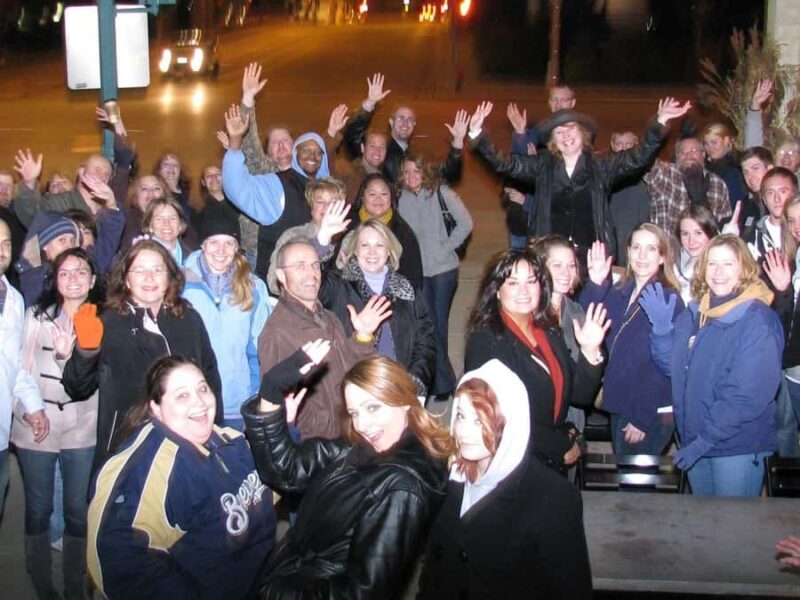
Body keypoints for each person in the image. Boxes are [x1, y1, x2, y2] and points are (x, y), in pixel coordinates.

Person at [242, 346, 451, 599]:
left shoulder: (400, 487)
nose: (362, 424)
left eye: (372, 407)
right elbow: (289, 469)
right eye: (354, 413)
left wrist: (281, 592)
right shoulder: (368, 445)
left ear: (405, 401)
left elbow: (363, 593)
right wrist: (270, 393)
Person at [87, 356, 275, 600]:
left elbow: (268, 486)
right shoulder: (145, 470)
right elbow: (116, 559)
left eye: (202, 388)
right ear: (156, 407)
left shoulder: (226, 439)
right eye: (182, 395)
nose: (199, 401)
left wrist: (280, 427)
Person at [418, 359, 592, 600]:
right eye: (461, 415)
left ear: (509, 424)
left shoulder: (553, 499)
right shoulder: (449, 478)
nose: (464, 431)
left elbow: (571, 591)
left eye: (480, 420)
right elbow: (433, 574)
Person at [643, 234, 784, 496]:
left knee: (731, 532)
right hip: (695, 439)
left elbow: (746, 395)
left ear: (745, 268)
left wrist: (705, 439)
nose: (719, 272)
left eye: (728, 264)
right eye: (712, 264)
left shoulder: (757, 320)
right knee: (705, 531)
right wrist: (662, 331)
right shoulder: (697, 313)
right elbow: (673, 370)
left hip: (736, 445)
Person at [62, 239, 221, 468]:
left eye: (157, 270)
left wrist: (214, 430)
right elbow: (76, 387)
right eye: (140, 270)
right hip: (131, 447)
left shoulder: (188, 319)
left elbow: (210, 375)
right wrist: (86, 351)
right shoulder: (109, 323)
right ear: (126, 279)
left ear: (169, 277)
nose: (149, 278)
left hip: (190, 443)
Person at [469, 98, 690, 259]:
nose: (565, 136)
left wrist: (659, 122)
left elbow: (639, 157)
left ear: (582, 133)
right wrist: (477, 134)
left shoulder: (600, 166)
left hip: (590, 257)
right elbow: (505, 164)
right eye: (559, 132)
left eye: (570, 129)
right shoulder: (542, 166)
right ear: (553, 141)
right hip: (550, 255)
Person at [465, 248, 607, 474]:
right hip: (514, 465)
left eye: (531, 281)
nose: (524, 291)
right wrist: (559, 445)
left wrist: (590, 353)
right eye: (512, 283)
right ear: (497, 291)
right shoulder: (486, 341)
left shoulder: (548, 330)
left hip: (547, 462)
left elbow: (580, 395)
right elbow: (500, 419)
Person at [13, 247, 101, 600]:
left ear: (93, 280)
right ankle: (42, 582)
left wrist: (70, 356)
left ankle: (74, 583)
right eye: (65, 272)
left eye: (81, 272)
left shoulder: (103, 320)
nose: (74, 279)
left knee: (78, 509)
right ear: (55, 279)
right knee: (39, 507)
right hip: (37, 424)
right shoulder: (37, 316)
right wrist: (31, 410)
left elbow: (94, 378)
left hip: (83, 424)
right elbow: (19, 368)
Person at [257, 237, 385, 440]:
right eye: (300, 266)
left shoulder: (328, 317)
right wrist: (330, 431)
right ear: (281, 275)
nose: (312, 274)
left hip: (350, 430)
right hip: (321, 446)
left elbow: (349, 370)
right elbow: (276, 406)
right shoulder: (277, 334)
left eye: (315, 265)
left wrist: (363, 336)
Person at [581, 225, 684, 455]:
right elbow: (589, 321)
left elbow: (665, 365)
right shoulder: (622, 290)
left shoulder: (668, 299)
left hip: (648, 408)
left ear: (662, 257)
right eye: (636, 248)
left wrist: (642, 417)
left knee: (636, 487)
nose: (642, 256)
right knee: (626, 476)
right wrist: (596, 283)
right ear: (628, 252)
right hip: (622, 398)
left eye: (651, 249)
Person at [321, 218, 436, 397]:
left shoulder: (406, 289)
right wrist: (322, 243)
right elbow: (312, 285)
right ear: (355, 251)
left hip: (398, 386)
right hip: (355, 388)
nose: (372, 252)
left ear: (389, 251)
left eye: (379, 245)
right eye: (365, 245)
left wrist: (414, 382)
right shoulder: (338, 285)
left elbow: (425, 341)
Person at [222, 104, 329, 281]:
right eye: (306, 150)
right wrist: (235, 144)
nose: (312, 156)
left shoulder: (330, 191)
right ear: (296, 154)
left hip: (319, 285)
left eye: (318, 152)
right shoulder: (278, 184)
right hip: (280, 287)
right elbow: (237, 188)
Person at [182, 222, 271, 430]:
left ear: (237, 247)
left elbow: (259, 347)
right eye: (213, 242)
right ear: (202, 245)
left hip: (238, 400)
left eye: (229, 243)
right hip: (193, 402)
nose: (221, 251)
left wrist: (257, 394)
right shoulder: (180, 283)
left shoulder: (253, 286)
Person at [399, 152, 473, 399]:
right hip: (419, 271)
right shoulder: (401, 198)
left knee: (437, 326)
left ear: (425, 172)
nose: (411, 176)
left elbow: (466, 223)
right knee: (430, 327)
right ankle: (445, 381)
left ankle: (443, 384)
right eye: (407, 172)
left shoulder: (441, 192)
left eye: (416, 171)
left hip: (443, 271)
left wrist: (445, 246)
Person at [0, 217, 46, 520]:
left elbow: (13, 361)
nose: (1, 250)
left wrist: (33, 405)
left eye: (5, 243)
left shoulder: (13, 299)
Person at [341, 72, 464, 184]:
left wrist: (457, 144)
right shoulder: (380, 150)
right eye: (401, 118)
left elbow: (449, 176)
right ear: (391, 122)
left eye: (410, 120)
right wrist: (369, 104)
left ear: (414, 125)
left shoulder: (418, 155)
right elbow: (352, 139)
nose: (405, 123)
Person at [341, 172, 424, 290]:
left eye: (384, 194)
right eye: (372, 194)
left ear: (391, 197)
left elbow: (414, 277)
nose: (378, 199)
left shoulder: (403, 231)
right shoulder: (347, 224)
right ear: (363, 198)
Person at [644, 135, 732, 238]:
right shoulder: (666, 174)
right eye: (682, 152)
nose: (688, 155)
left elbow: (725, 226)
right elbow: (646, 162)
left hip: (705, 251)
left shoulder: (718, 184)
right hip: (667, 250)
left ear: (703, 154)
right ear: (676, 156)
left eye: (693, 150)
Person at [675, 206, 720, 303]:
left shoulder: (716, 270)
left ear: (710, 232)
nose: (691, 241)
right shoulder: (677, 262)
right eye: (685, 234)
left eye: (698, 233)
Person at [188, 165, 242, 246]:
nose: (214, 178)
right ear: (203, 182)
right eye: (209, 175)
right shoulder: (198, 209)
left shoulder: (239, 202)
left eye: (218, 174)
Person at [702, 122, 747, 208]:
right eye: (706, 144)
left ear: (726, 140)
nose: (710, 148)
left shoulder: (734, 169)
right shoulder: (710, 166)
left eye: (714, 142)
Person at [120, 175, 169, 254]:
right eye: (144, 189)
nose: (151, 193)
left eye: (156, 188)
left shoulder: (174, 220)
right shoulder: (127, 222)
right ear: (136, 196)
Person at [142, 196, 194, 266]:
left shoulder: (192, 257)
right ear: (150, 225)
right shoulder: (140, 255)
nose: (167, 223)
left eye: (172, 218)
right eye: (159, 219)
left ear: (180, 225)